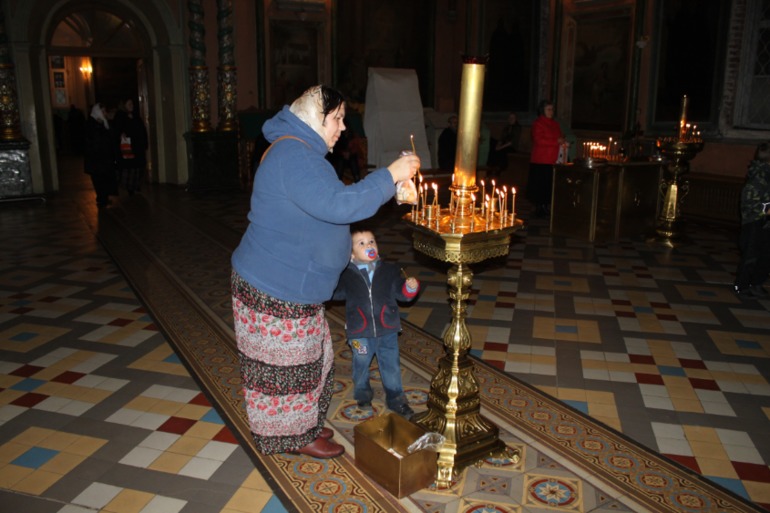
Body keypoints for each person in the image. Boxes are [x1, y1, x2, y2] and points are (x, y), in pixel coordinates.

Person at [230, 85, 420, 459]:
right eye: (337, 119)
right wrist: (389, 176)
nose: (343, 127)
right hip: (276, 285)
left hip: (290, 284)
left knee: (310, 360)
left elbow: (320, 207)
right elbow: (336, 204)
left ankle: (303, 425)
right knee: (288, 369)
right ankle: (293, 435)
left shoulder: (301, 152)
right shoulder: (293, 155)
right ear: (314, 119)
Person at [332, 225, 421, 419]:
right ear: (351, 254)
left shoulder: (389, 271)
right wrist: (327, 280)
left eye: (371, 241)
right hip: (359, 331)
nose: (368, 245)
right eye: (361, 243)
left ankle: (396, 398)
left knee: (391, 365)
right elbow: (335, 293)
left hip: (388, 328)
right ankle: (362, 392)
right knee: (361, 360)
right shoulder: (346, 275)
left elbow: (402, 294)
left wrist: (409, 288)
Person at [734, 141, 770, 299]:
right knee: (751, 255)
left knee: (765, 255)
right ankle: (741, 286)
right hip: (755, 222)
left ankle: (756, 283)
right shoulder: (758, 175)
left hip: (766, 222)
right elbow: (749, 203)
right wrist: (766, 210)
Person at [528, 100, 565, 218]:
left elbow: (560, 136)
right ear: (542, 111)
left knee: (549, 185)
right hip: (541, 159)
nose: (551, 112)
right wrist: (556, 141)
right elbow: (539, 140)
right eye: (548, 109)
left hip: (553, 159)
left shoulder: (555, 124)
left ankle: (546, 206)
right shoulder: (538, 123)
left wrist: (563, 142)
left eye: (552, 109)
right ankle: (540, 207)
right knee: (540, 185)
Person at [83, 103, 118, 207]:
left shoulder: (103, 123)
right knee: (99, 180)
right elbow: (94, 142)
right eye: (102, 111)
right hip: (96, 159)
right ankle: (102, 198)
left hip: (104, 159)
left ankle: (104, 197)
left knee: (104, 178)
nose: (104, 113)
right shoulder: (91, 124)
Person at [114, 98, 148, 195]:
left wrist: (144, 143)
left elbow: (141, 129)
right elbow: (117, 130)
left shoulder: (136, 116)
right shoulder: (120, 116)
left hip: (138, 146)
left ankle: (136, 185)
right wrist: (121, 134)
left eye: (132, 103)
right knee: (130, 168)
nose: (131, 105)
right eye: (129, 104)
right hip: (128, 146)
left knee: (139, 166)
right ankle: (130, 187)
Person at [488, 112, 522, 176]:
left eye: (513, 118)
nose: (511, 119)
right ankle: (490, 167)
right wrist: (498, 145)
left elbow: (511, 142)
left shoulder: (517, 128)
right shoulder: (506, 128)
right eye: (510, 118)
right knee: (492, 144)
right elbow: (501, 138)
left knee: (501, 151)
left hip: (511, 147)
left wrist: (500, 147)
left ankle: (500, 168)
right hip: (504, 144)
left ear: (516, 119)